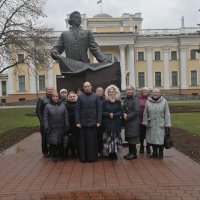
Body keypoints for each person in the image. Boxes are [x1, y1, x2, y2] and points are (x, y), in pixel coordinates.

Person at [75, 81, 102, 162]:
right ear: (83, 88)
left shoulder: (96, 96)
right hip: (83, 124)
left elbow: (99, 110)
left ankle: (92, 158)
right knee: (83, 142)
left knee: (92, 142)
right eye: (85, 86)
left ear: (91, 87)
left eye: (88, 86)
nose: (87, 88)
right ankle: (83, 158)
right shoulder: (80, 97)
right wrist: (77, 122)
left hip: (93, 123)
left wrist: (99, 121)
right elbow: (77, 110)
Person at [142, 88, 171, 159]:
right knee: (152, 138)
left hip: (161, 123)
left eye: (157, 92)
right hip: (151, 123)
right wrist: (145, 121)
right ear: (152, 93)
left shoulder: (164, 101)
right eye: (154, 92)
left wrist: (167, 123)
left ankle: (161, 153)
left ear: (159, 93)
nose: (155, 94)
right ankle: (154, 152)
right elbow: (145, 112)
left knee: (161, 139)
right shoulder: (148, 101)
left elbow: (167, 113)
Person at [43, 91, 69, 162]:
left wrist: (67, 125)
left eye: (56, 97)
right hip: (52, 128)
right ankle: (54, 156)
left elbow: (66, 115)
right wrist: (46, 126)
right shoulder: (47, 106)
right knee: (53, 143)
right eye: (54, 97)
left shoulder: (63, 105)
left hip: (61, 127)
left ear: (58, 97)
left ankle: (61, 156)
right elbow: (45, 118)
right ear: (51, 97)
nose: (55, 98)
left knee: (60, 143)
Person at [102, 84, 123, 160]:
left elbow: (121, 112)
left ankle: (115, 153)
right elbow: (102, 112)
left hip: (116, 123)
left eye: (112, 92)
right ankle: (110, 153)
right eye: (110, 92)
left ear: (115, 93)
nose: (111, 93)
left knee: (116, 139)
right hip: (107, 124)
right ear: (107, 93)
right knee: (108, 139)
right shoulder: (104, 102)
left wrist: (114, 115)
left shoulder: (118, 102)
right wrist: (108, 114)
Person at [123, 86, 140, 160]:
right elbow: (123, 108)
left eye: (130, 90)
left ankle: (134, 154)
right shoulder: (126, 99)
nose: (129, 91)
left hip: (133, 122)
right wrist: (123, 114)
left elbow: (136, 111)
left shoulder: (135, 99)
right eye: (127, 90)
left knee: (133, 137)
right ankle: (130, 152)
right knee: (129, 137)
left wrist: (128, 116)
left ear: (133, 90)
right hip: (127, 122)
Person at [36, 86, 54, 157]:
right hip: (44, 122)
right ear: (46, 90)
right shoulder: (41, 99)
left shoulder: (54, 98)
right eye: (49, 89)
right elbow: (38, 111)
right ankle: (45, 151)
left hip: (52, 121)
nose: (50, 91)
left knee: (51, 137)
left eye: (51, 89)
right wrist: (42, 121)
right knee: (44, 138)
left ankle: (52, 151)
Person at [65, 91, 79, 158]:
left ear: (76, 96)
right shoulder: (66, 105)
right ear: (68, 97)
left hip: (78, 124)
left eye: (73, 96)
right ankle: (72, 152)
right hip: (70, 124)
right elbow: (66, 115)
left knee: (77, 138)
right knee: (71, 139)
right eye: (71, 97)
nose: (72, 98)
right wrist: (74, 113)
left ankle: (78, 151)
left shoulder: (79, 103)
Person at [138, 87, 151, 154]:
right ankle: (142, 147)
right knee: (141, 134)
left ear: (148, 92)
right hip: (141, 119)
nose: (144, 91)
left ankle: (148, 147)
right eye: (143, 90)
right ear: (141, 91)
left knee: (148, 134)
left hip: (149, 119)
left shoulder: (150, 99)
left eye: (146, 90)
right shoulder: (138, 98)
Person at [95, 87, 105, 157]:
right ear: (96, 92)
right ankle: (97, 151)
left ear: (103, 92)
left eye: (101, 91)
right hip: (95, 122)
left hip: (103, 122)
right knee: (97, 137)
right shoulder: (93, 100)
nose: (99, 92)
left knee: (102, 137)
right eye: (98, 91)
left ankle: (102, 151)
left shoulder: (105, 101)